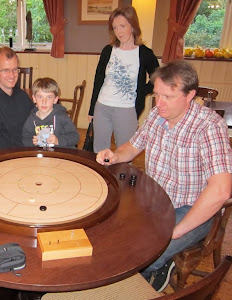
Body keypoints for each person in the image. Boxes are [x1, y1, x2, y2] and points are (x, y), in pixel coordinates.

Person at [96, 60, 232, 292]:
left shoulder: (209, 127)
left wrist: (176, 231)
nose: (159, 104)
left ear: (190, 95)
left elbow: (221, 191)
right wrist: (115, 155)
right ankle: (155, 267)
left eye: (168, 97)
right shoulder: (156, 116)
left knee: (138, 256)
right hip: (152, 202)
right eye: (157, 95)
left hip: (189, 208)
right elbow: (133, 146)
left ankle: (148, 274)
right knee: (108, 234)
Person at [88, 6, 159, 153]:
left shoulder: (145, 53)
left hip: (127, 110)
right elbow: (98, 81)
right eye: (115, 28)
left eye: (122, 26)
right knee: (99, 152)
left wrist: (141, 92)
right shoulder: (108, 51)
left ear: (133, 25)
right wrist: (91, 110)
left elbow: (157, 78)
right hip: (102, 107)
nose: (119, 31)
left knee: (125, 153)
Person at [22, 77, 79, 148]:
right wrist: (33, 142)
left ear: (55, 99)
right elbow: (25, 139)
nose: (44, 102)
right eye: (40, 97)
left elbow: (75, 137)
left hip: (62, 154)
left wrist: (58, 140)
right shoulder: (31, 120)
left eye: (49, 97)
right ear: (34, 98)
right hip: (42, 155)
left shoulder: (62, 117)